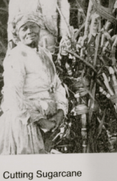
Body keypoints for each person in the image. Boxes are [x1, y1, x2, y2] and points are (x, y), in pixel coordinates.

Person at [0, 13, 68, 154]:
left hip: (50, 120)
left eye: (33, 27)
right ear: (17, 34)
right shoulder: (16, 56)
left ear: (39, 29)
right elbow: (13, 96)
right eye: (24, 29)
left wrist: (60, 112)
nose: (29, 31)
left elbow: (57, 86)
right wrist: (41, 121)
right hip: (25, 122)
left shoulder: (45, 54)